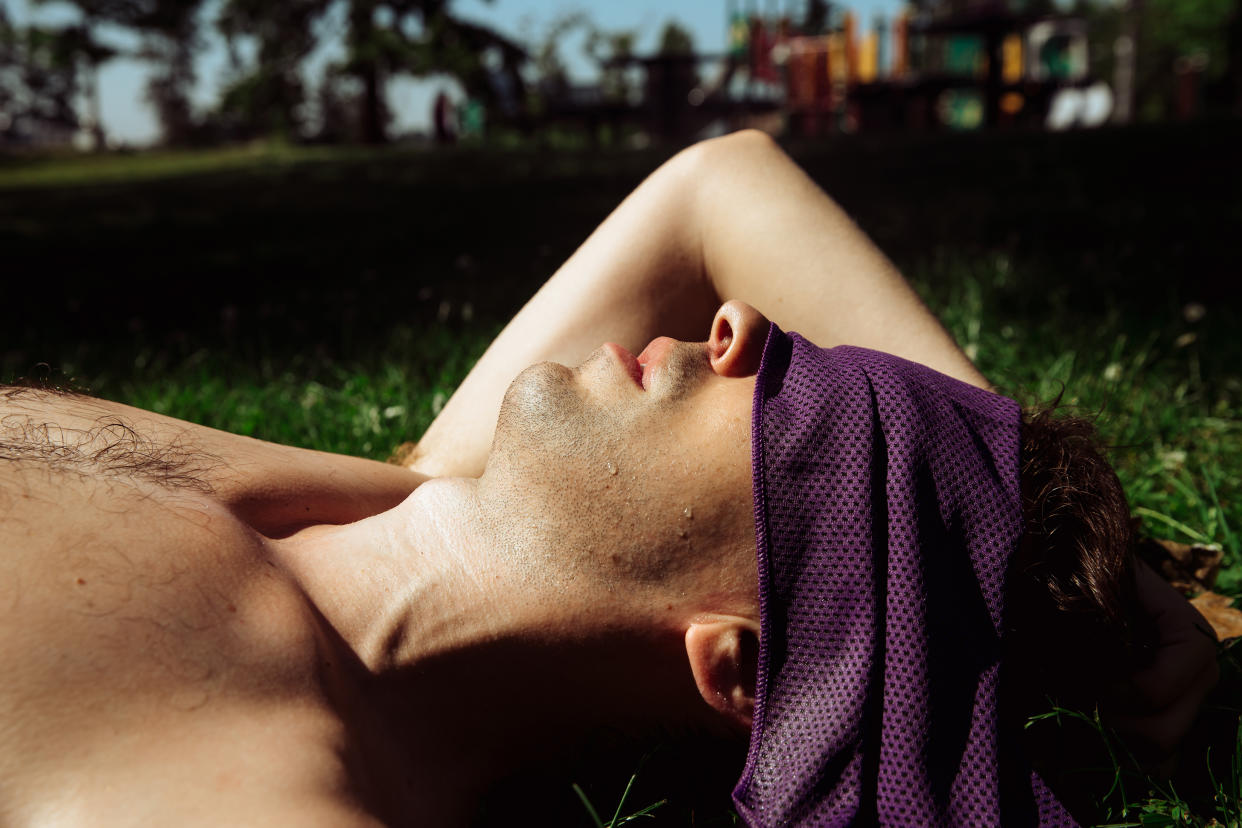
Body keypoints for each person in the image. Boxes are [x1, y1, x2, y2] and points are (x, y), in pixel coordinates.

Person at [0, 131, 1218, 826]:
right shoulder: (398, 491)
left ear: (735, 664)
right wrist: (1118, 584)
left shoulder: (246, 784)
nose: (740, 322)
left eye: (806, 402)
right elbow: (720, 186)